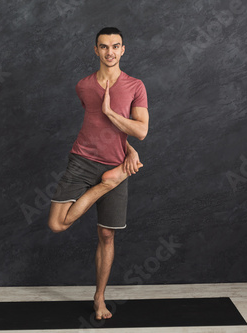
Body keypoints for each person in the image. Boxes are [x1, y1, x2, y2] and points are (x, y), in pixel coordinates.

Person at [48, 27, 149, 320]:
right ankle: (106, 186)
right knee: (57, 224)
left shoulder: (135, 85)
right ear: (96, 50)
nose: (110, 52)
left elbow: (141, 130)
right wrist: (124, 148)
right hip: (82, 160)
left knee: (106, 234)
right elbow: (97, 127)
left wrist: (114, 117)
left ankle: (99, 297)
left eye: (115, 46)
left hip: (114, 164)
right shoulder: (83, 86)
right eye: (104, 47)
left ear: (123, 49)